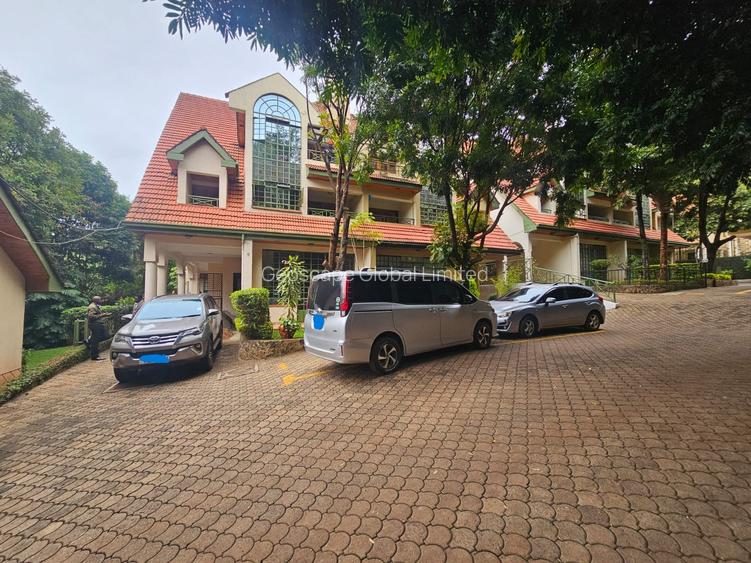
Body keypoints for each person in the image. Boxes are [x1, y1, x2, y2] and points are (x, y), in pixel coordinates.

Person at [87, 296, 111, 361]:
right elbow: (91, 316)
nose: (101, 301)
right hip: (95, 325)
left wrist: (103, 314)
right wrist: (103, 315)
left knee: (106, 336)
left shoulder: (95, 306)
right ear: (96, 300)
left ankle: (89, 341)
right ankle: (95, 356)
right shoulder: (92, 307)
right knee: (95, 341)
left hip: (98, 324)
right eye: (100, 300)